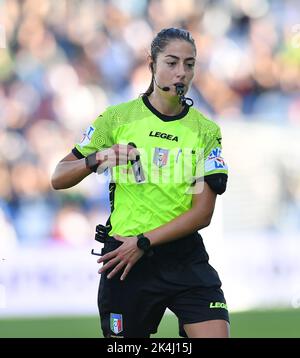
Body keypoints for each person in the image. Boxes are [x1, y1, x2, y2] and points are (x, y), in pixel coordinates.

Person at [51, 28, 229, 338]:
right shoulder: (117, 119)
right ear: (152, 63)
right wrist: (99, 158)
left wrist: (144, 242)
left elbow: (203, 213)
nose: (181, 73)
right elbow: (59, 177)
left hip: (182, 257)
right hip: (125, 258)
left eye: (189, 64)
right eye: (171, 62)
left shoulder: (205, 131)